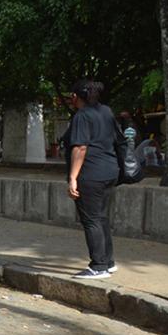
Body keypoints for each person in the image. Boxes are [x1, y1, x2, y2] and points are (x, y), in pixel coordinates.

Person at [62, 79, 119, 280]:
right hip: (110, 171)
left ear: (76, 97)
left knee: (91, 220)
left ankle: (99, 265)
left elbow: (80, 147)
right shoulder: (106, 111)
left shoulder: (82, 116)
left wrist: (72, 178)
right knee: (101, 217)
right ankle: (108, 262)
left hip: (91, 174)